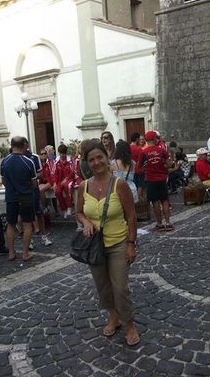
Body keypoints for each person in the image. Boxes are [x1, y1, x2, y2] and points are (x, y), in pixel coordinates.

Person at [76, 141, 139, 346]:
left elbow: (131, 215)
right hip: (95, 246)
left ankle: (129, 323)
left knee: (120, 287)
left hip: (119, 242)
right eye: (91, 159)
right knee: (103, 287)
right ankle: (113, 317)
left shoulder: (118, 184)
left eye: (99, 157)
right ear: (86, 163)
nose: (96, 162)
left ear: (106, 157)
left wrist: (131, 243)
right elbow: (78, 212)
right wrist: (85, 221)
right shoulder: (83, 186)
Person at [138, 130, 173, 232]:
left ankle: (159, 224)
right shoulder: (162, 150)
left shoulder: (143, 152)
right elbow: (169, 164)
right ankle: (168, 222)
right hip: (162, 179)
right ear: (155, 139)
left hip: (150, 180)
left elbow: (139, 167)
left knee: (155, 202)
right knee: (165, 200)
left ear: (146, 140)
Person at [54, 144, 74, 218]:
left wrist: (66, 178)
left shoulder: (70, 161)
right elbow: (55, 173)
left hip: (69, 179)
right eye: (61, 153)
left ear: (66, 153)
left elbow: (72, 172)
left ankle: (69, 207)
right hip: (59, 181)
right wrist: (55, 183)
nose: (62, 155)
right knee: (57, 191)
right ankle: (64, 209)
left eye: (64, 153)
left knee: (67, 186)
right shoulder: (56, 161)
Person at [130, 132, 145, 197]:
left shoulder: (128, 148)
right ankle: (139, 200)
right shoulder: (139, 149)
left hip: (130, 170)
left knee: (133, 186)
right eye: (139, 139)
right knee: (140, 186)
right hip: (139, 170)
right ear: (137, 139)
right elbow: (142, 161)